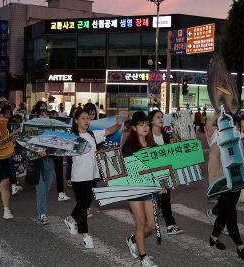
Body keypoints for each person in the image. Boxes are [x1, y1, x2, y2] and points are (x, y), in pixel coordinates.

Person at [64, 109, 122, 249]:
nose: (86, 120)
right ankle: (85, 235)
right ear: (76, 120)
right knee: (83, 206)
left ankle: (71, 219)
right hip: (79, 176)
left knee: (85, 202)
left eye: (88, 118)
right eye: (83, 118)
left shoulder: (92, 135)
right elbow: (57, 148)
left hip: (93, 175)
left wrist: (118, 125)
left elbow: (108, 131)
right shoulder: (72, 137)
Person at [205, 111, 244, 259]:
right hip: (224, 185)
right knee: (231, 215)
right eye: (234, 127)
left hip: (237, 182)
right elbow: (212, 170)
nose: (237, 130)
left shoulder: (236, 139)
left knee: (224, 214)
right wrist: (219, 115)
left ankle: (214, 237)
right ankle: (240, 246)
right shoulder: (216, 141)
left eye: (237, 128)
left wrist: (237, 118)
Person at [122, 111, 158, 267]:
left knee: (151, 225)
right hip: (134, 188)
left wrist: (162, 183)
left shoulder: (153, 144)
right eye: (141, 125)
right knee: (141, 223)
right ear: (134, 128)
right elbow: (127, 171)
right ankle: (144, 258)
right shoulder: (128, 147)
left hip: (150, 188)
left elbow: (159, 167)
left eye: (146, 124)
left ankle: (133, 239)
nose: (145, 127)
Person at [148, 110, 184, 235]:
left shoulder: (166, 136)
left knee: (166, 198)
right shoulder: (147, 136)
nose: (161, 119)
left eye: (162, 117)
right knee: (163, 199)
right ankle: (170, 225)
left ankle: (165, 217)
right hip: (153, 172)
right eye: (158, 117)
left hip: (165, 171)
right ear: (151, 120)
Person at [32, 108, 56, 224]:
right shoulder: (32, 130)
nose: (44, 117)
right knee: (41, 189)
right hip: (37, 162)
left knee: (47, 189)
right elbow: (26, 147)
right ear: (37, 117)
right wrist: (36, 151)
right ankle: (42, 214)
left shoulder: (53, 130)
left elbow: (58, 146)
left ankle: (42, 211)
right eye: (42, 115)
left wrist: (48, 152)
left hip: (50, 161)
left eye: (46, 115)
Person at [1, 104, 23, 196]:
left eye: (9, 113)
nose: (8, 115)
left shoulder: (13, 123)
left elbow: (17, 135)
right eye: (6, 113)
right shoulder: (0, 123)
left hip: (10, 148)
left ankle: (13, 186)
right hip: (1, 149)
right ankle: (1, 185)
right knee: (4, 167)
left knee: (11, 167)